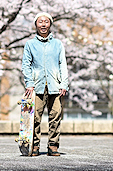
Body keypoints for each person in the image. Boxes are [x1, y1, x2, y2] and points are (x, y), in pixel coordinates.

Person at [21, 12, 69, 157]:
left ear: (50, 24)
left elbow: (63, 65)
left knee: (55, 116)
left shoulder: (58, 44)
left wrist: (64, 84)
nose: (43, 24)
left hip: (55, 86)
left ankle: (53, 146)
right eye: (40, 22)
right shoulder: (30, 44)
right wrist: (29, 83)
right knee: (34, 117)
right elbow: (26, 65)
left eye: (46, 22)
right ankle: (34, 145)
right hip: (36, 86)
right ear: (36, 24)